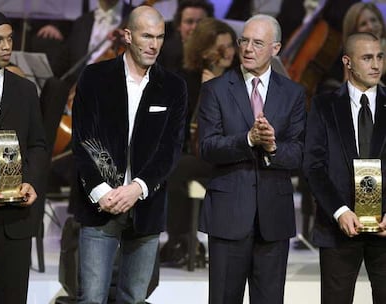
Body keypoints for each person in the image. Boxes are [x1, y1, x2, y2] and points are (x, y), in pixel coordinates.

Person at [71, 5, 187, 304]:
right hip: (100, 204)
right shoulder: (95, 78)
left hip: (145, 206)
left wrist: (138, 188)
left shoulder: (173, 87)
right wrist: (101, 191)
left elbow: (170, 148)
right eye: (147, 36)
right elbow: (85, 139)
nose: (154, 44)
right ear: (127, 35)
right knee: (91, 298)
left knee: (134, 298)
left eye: (160, 37)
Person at [198, 14, 306, 304]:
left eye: (257, 43)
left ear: (276, 48)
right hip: (228, 216)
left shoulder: (294, 93)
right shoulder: (216, 89)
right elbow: (206, 146)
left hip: (274, 219)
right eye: (243, 40)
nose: (247, 48)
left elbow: (298, 153)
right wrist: (247, 140)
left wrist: (272, 147)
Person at [303, 32, 386, 304]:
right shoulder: (324, 104)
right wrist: (339, 211)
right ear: (347, 62)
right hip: (338, 227)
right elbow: (313, 166)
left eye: (380, 57)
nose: (376, 65)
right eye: (367, 58)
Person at [0, 9, 47, 304]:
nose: (7, 46)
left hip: (16, 220)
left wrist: (30, 181)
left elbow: (38, 145)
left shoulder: (25, 90)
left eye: (10, 38)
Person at [161, 17, 237, 268]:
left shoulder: (238, 80)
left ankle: (180, 241)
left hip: (229, 152)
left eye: (231, 46)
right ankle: (182, 238)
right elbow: (178, 125)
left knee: (180, 167)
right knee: (174, 164)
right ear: (204, 51)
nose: (228, 52)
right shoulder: (187, 79)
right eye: (220, 47)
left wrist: (213, 94)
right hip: (196, 151)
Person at [157, 0, 214, 74]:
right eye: (189, 22)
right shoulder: (163, 53)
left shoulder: (219, 51)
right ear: (179, 26)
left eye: (201, 22)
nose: (195, 27)